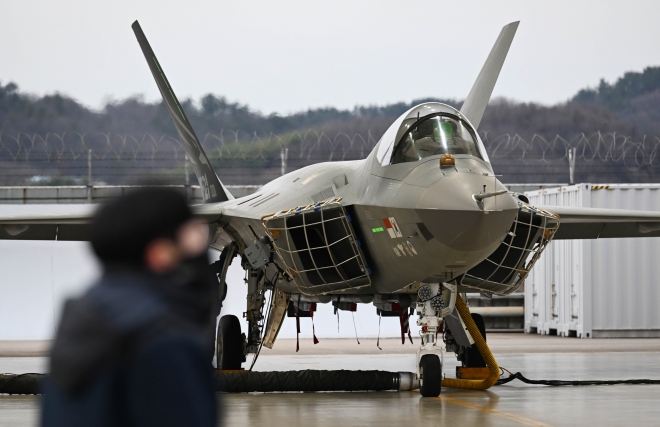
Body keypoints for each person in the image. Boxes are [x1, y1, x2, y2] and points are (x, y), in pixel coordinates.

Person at [41, 188, 219, 427]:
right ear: (160, 254)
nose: (199, 246)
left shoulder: (83, 319)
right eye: (189, 236)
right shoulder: (164, 340)